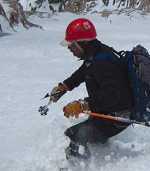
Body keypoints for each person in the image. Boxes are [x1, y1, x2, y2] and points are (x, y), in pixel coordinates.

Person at [48, 17, 133, 160]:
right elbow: (84, 72)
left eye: (72, 45)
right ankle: (103, 154)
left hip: (119, 116)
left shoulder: (102, 62)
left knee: (73, 135)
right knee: (90, 131)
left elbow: (113, 95)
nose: (69, 48)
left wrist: (84, 104)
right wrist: (65, 86)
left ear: (84, 43)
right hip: (110, 112)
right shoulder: (95, 54)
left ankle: (79, 169)